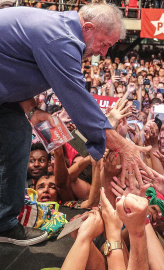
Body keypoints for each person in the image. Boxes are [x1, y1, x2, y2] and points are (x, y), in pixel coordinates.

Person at [0, 3, 152, 246]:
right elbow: (76, 97)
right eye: (104, 44)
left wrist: (31, 109)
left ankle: (4, 223)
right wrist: (122, 145)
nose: (104, 53)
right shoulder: (60, 37)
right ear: (88, 28)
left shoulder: (59, 30)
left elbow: (13, 68)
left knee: (17, 134)